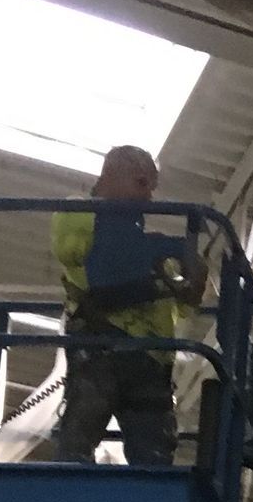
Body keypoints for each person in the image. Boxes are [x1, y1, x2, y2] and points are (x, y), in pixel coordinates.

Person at [48, 145, 202, 468]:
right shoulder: (80, 215)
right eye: (141, 183)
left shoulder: (145, 247)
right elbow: (87, 257)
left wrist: (190, 283)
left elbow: (182, 305)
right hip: (101, 344)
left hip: (150, 357)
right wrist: (160, 260)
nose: (148, 197)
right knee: (83, 424)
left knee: (154, 454)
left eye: (151, 188)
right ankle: (68, 483)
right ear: (110, 176)